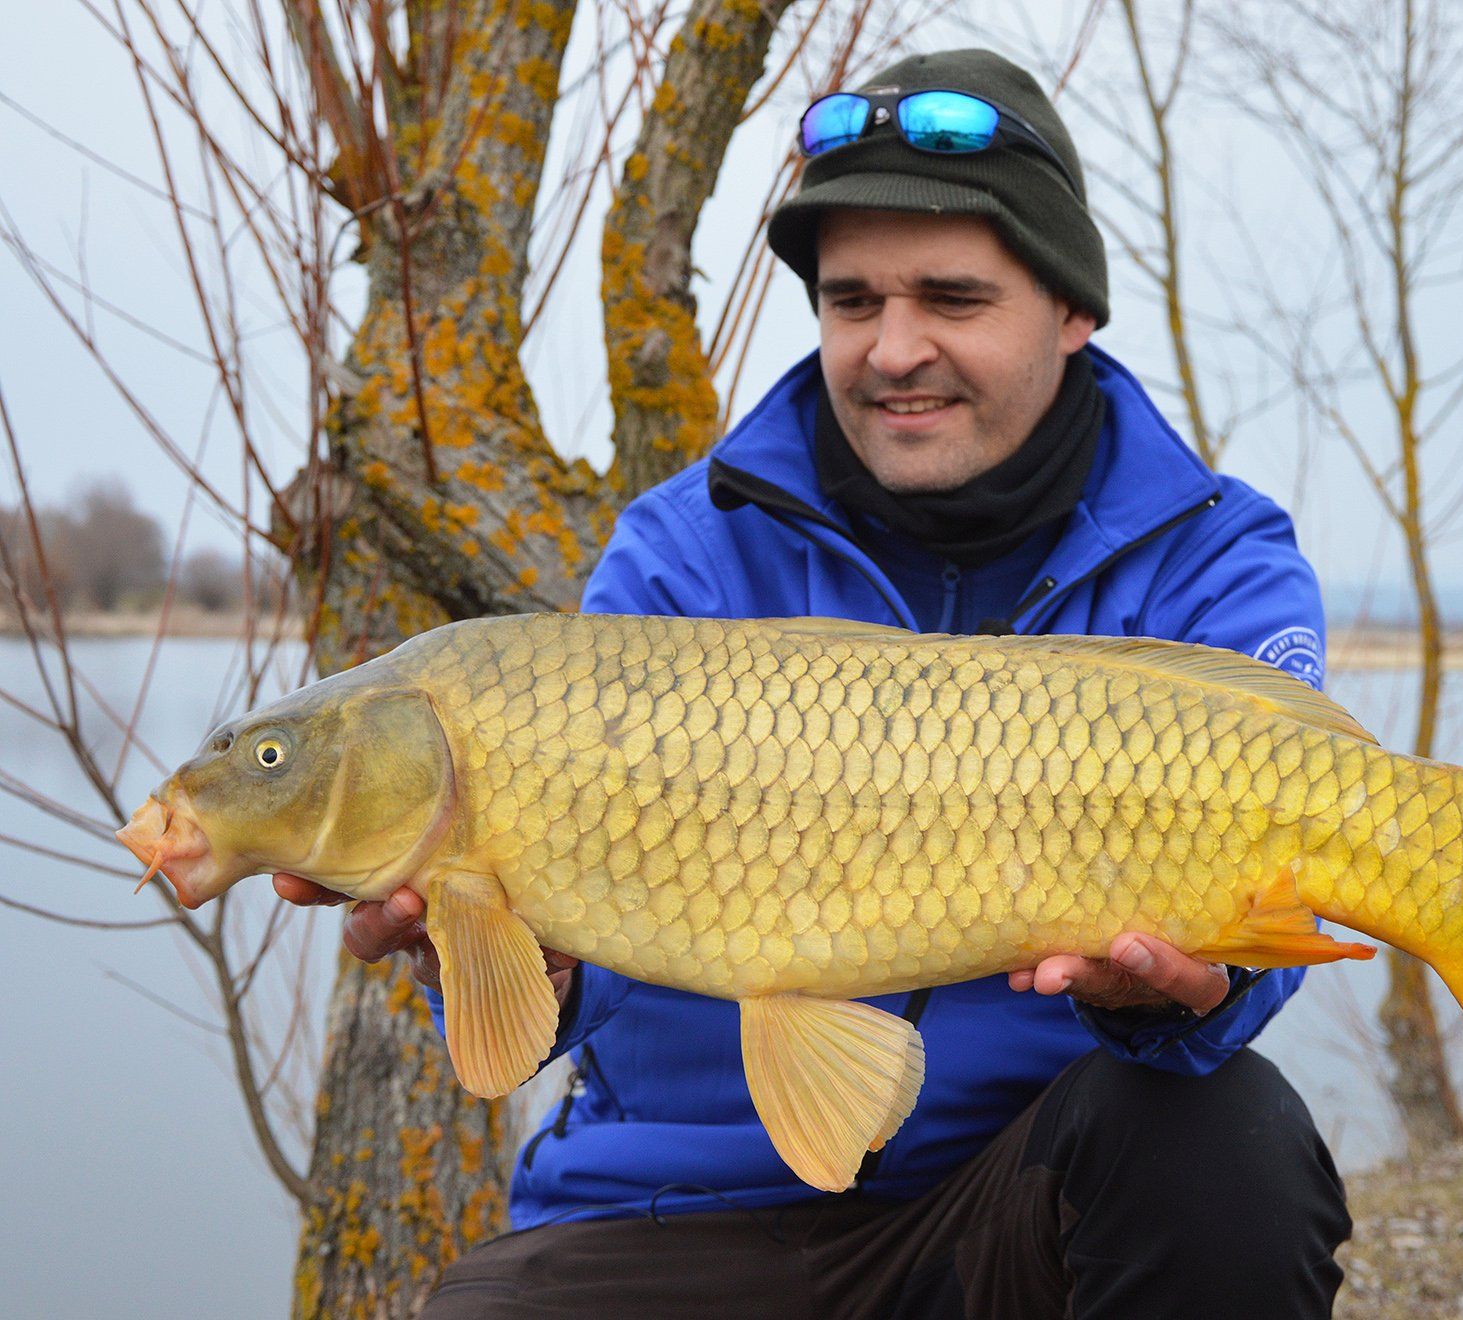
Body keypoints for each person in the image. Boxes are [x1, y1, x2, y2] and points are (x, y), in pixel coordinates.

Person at [277, 48, 1351, 1317]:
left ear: (1070, 308)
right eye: (852, 302)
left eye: (951, 297)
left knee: (1224, 1143)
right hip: (677, 1213)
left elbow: (1284, 917)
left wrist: (1188, 997)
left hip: (1020, 1200)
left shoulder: (1212, 557)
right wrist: (504, 953)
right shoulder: (686, 548)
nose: (894, 349)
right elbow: (592, 957)